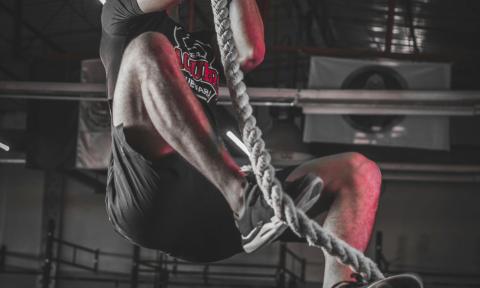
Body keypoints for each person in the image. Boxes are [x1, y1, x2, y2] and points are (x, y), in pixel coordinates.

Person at [100, 0, 382, 287]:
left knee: (359, 172)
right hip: (149, 190)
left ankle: (342, 283)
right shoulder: (119, 14)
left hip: (211, 212)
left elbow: (250, 51)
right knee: (147, 48)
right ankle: (241, 198)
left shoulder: (198, 45)